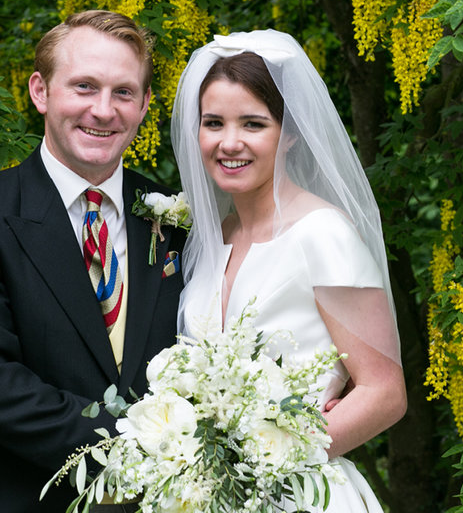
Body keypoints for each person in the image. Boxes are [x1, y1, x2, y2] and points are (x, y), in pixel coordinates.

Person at [0, 10, 185, 513]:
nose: (103, 110)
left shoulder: (175, 220)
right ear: (40, 91)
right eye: (84, 87)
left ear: (146, 104)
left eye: (123, 92)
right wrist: (147, 448)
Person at [171, 30, 407, 512]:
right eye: (213, 122)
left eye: (253, 124)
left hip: (297, 494)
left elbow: (384, 393)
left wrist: (264, 465)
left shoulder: (323, 235)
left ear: (290, 131)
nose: (229, 142)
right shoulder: (214, 236)